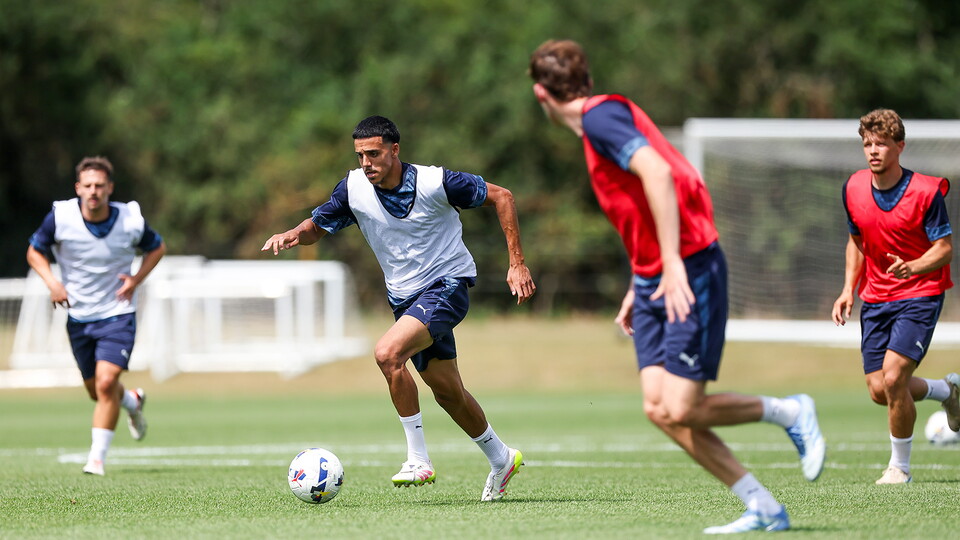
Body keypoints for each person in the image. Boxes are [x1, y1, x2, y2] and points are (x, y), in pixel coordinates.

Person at [528, 40, 825, 534]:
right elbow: (640, 210)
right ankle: (763, 507)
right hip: (652, 278)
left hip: (688, 270)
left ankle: (791, 411)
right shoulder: (598, 126)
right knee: (659, 408)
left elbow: (660, 174)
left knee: (684, 405)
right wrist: (640, 277)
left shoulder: (602, 119)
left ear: (541, 94)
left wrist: (668, 263)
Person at [261, 115, 536, 501]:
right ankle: (501, 457)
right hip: (405, 299)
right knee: (447, 392)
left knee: (388, 354)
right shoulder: (353, 189)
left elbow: (502, 196)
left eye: (373, 154)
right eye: (360, 155)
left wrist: (517, 262)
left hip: (447, 286)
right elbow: (317, 226)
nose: (366, 163)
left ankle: (418, 459)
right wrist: (294, 234)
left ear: (395, 150)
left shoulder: (434, 182)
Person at [831, 108, 958, 485]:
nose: (873, 151)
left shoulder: (925, 192)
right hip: (876, 297)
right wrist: (847, 290)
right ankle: (947, 392)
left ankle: (899, 467)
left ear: (899, 147)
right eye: (867, 144)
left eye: (881, 144)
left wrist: (914, 267)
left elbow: (945, 248)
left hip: (921, 292)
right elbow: (857, 243)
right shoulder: (853, 188)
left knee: (894, 376)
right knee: (879, 389)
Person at [26, 156, 166, 476]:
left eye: (100, 186)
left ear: (110, 188)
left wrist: (135, 279)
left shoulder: (130, 219)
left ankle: (96, 459)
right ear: (78, 188)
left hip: (118, 313)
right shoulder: (60, 217)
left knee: (106, 383)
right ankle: (131, 401)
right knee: (97, 391)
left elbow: (157, 247)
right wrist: (53, 283)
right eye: (87, 185)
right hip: (78, 316)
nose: (93, 191)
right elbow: (34, 251)